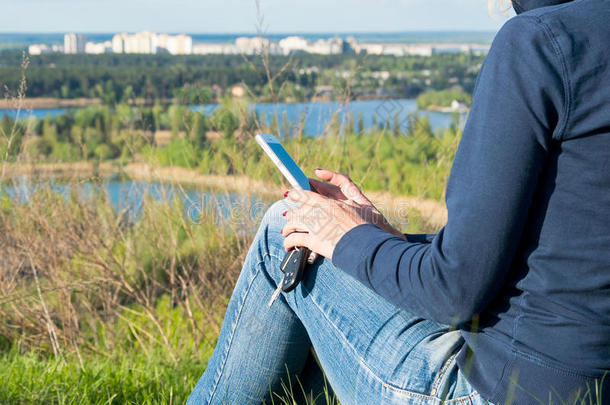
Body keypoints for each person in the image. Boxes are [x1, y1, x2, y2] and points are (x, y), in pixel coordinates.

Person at [187, 0, 610, 403]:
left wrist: (344, 236)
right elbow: (558, 250)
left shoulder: (538, 44)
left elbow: (455, 293)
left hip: (506, 390)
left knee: (284, 225)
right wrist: (380, 237)